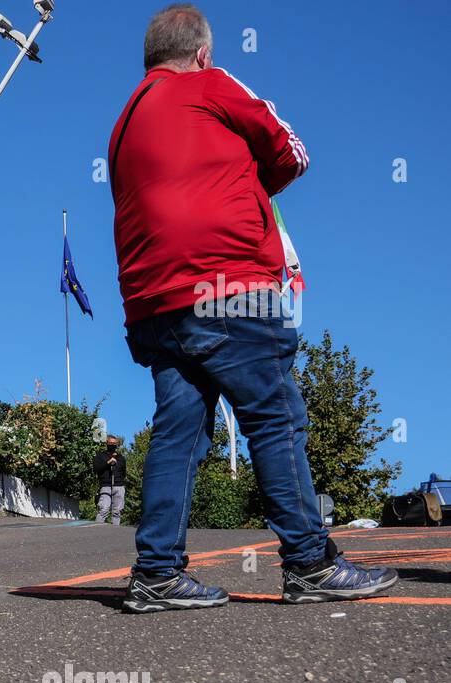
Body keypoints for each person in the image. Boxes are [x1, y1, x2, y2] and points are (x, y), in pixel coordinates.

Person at [110, 4, 396, 613]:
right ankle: (310, 563)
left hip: (153, 300)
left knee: (179, 432)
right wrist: (249, 183)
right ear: (203, 54)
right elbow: (291, 150)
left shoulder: (124, 125)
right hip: (228, 284)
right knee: (275, 415)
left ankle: (156, 572)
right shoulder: (211, 84)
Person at [93, 437, 127, 525]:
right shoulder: (100, 456)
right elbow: (96, 469)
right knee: (103, 509)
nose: (112, 445)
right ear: (106, 444)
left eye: (114, 444)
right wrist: (107, 463)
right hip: (106, 486)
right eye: (110, 443)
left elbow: (124, 472)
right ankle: (96, 530)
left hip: (119, 486)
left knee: (117, 512)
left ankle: (114, 532)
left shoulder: (121, 458)